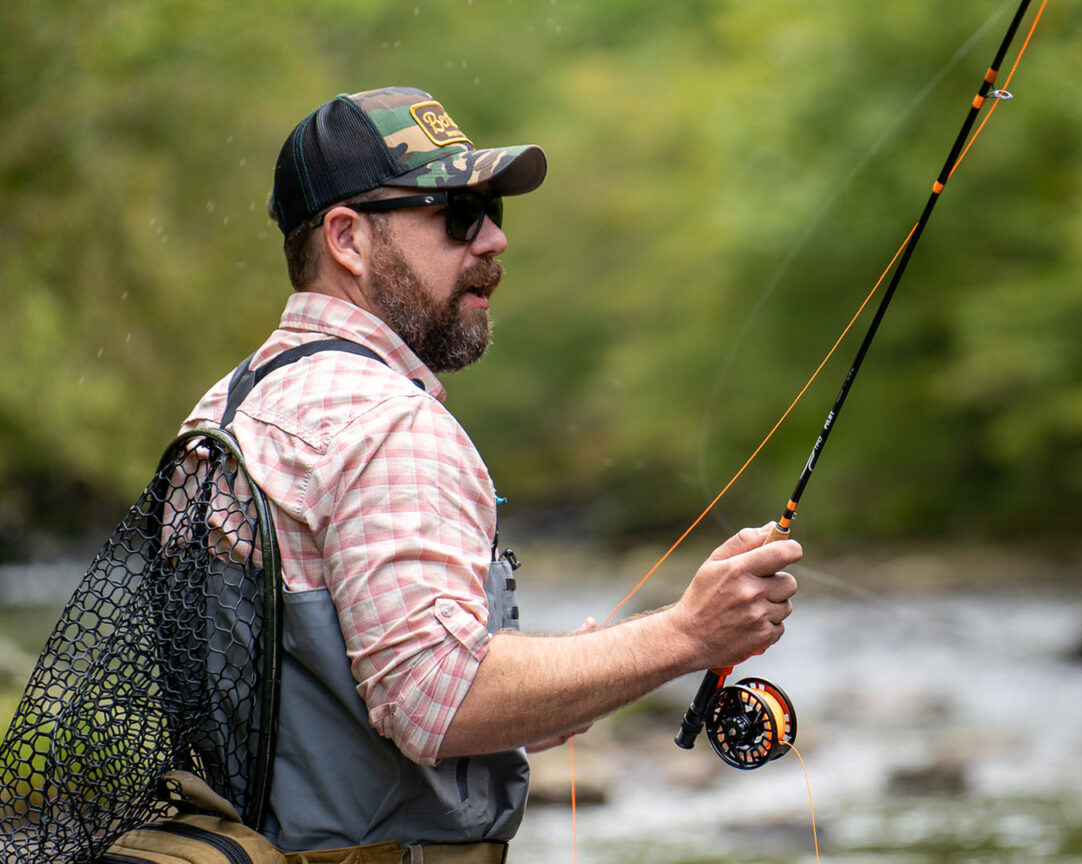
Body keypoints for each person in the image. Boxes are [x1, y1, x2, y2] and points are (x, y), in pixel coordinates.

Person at [179, 86, 801, 859]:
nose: (494, 241)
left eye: (494, 213)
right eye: (457, 214)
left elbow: (322, 697)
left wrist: (573, 677)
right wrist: (688, 633)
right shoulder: (389, 426)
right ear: (348, 239)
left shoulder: (230, 404)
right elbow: (439, 703)